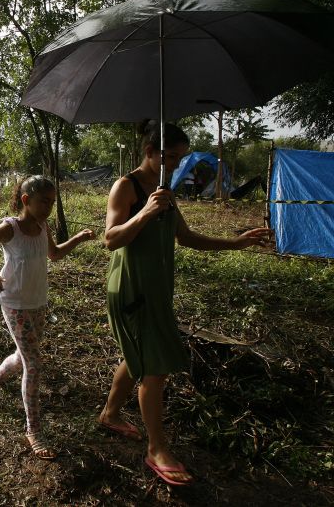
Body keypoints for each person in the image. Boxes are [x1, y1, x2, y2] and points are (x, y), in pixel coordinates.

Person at [99, 120, 270, 486]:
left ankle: (110, 414)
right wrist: (145, 213)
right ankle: (157, 449)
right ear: (150, 152)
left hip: (157, 288)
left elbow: (187, 238)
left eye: (179, 158)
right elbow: (110, 240)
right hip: (131, 289)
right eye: (171, 157)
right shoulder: (126, 186)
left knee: (137, 355)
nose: (176, 164)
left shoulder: (166, 192)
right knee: (154, 367)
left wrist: (236, 243)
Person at [0, 176, 95, 460]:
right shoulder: (9, 228)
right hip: (14, 303)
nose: (49, 208)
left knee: (23, 356)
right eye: (44, 202)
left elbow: (55, 254)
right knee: (34, 364)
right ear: (26, 200)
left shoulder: (42, 227)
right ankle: (33, 429)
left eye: (52, 202)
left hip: (38, 302)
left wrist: (78, 238)